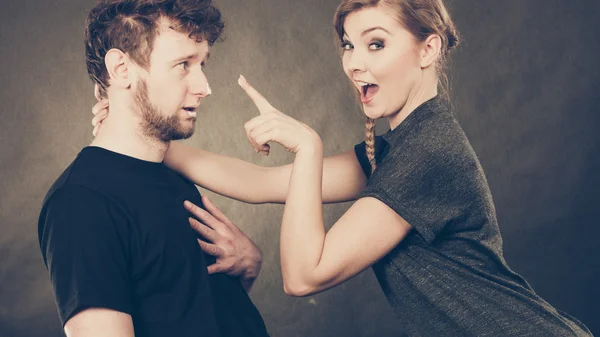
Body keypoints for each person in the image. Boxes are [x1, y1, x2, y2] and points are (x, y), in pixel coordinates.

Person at [92, 0, 593, 336]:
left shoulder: (429, 153)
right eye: (349, 46)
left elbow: (305, 275)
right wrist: (148, 134)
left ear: (429, 48)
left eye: (375, 44)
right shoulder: (396, 148)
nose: (354, 63)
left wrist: (307, 145)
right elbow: (262, 183)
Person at [38, 1, 269, 336]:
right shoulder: (80, 203)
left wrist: (248, 266)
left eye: (201, 64)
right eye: (183, 65)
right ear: (121, 69)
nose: (205, 87)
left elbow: (190, 314)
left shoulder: (170, 173)